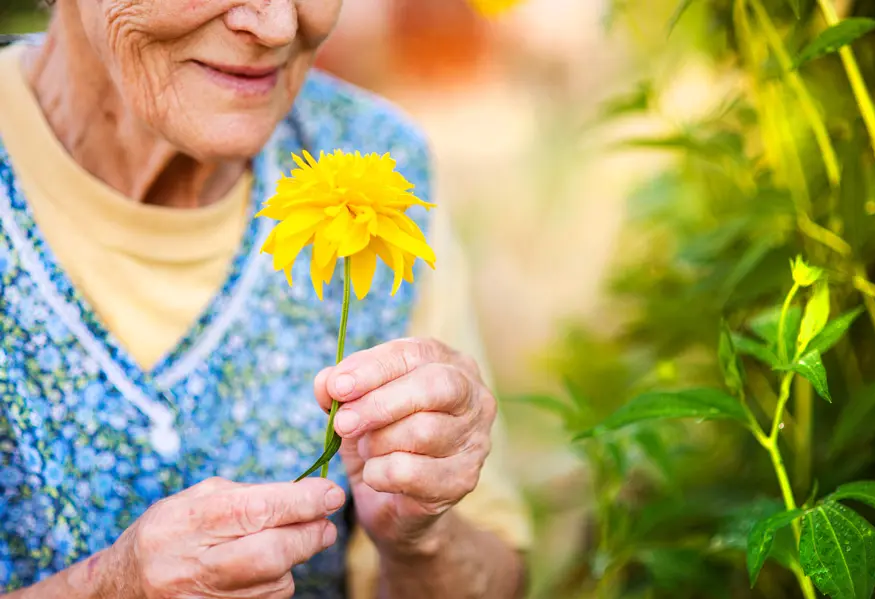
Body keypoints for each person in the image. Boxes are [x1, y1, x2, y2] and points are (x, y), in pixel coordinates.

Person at [0, 1, 531, 597]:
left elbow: (500, 574)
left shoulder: (379, 163)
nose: (278, 25)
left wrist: (422, 542)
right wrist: (105, 588)